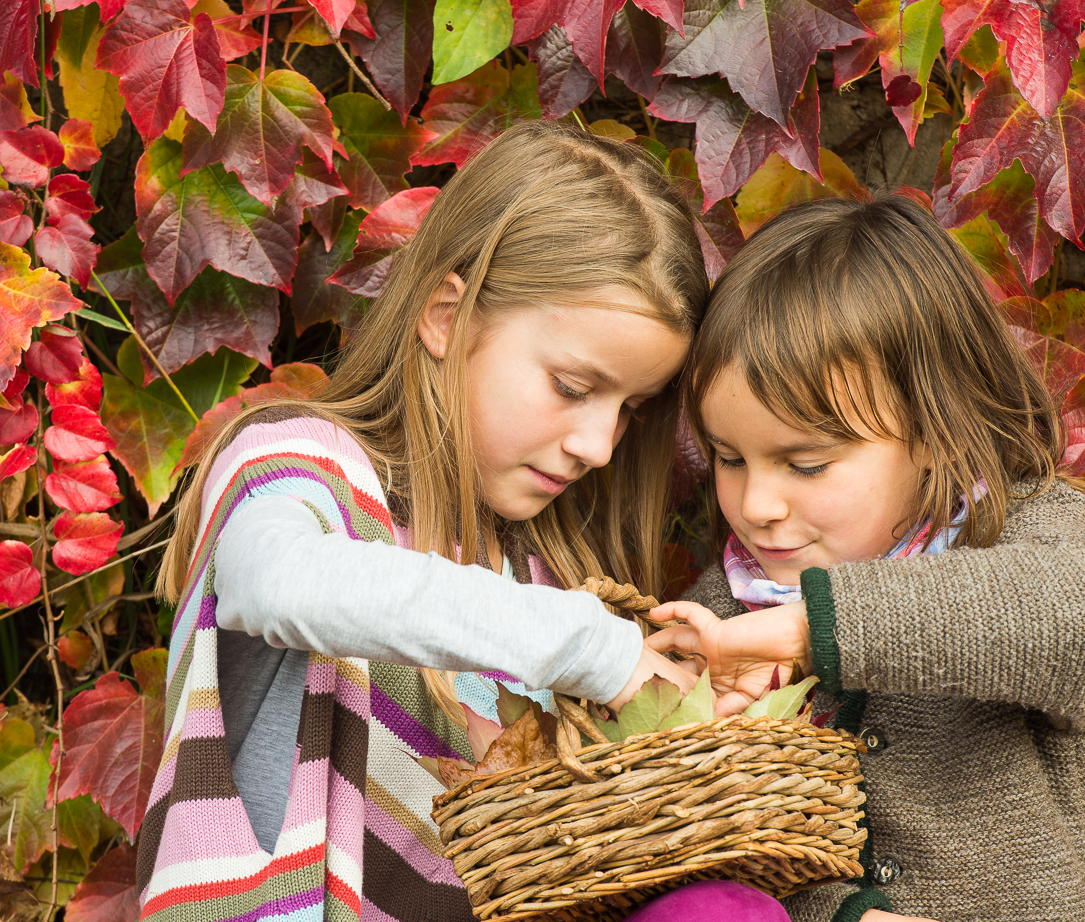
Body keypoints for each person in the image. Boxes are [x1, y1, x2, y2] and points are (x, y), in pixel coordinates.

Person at [135, 122, 791, 922]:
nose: (597, 444)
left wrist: (675, 731)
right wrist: (596, 650)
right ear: (447, 317)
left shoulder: (537, 569)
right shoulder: (299, 465)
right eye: (571, 385)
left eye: (630, 409)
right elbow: (277, 584)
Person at [646, 196, 1085, 922]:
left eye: (806, 464)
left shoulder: (1021, 532)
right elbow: (718, 842)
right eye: (728, 458)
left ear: (936, 432)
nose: (757, 505)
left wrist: (813, 629)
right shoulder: (723, 614)